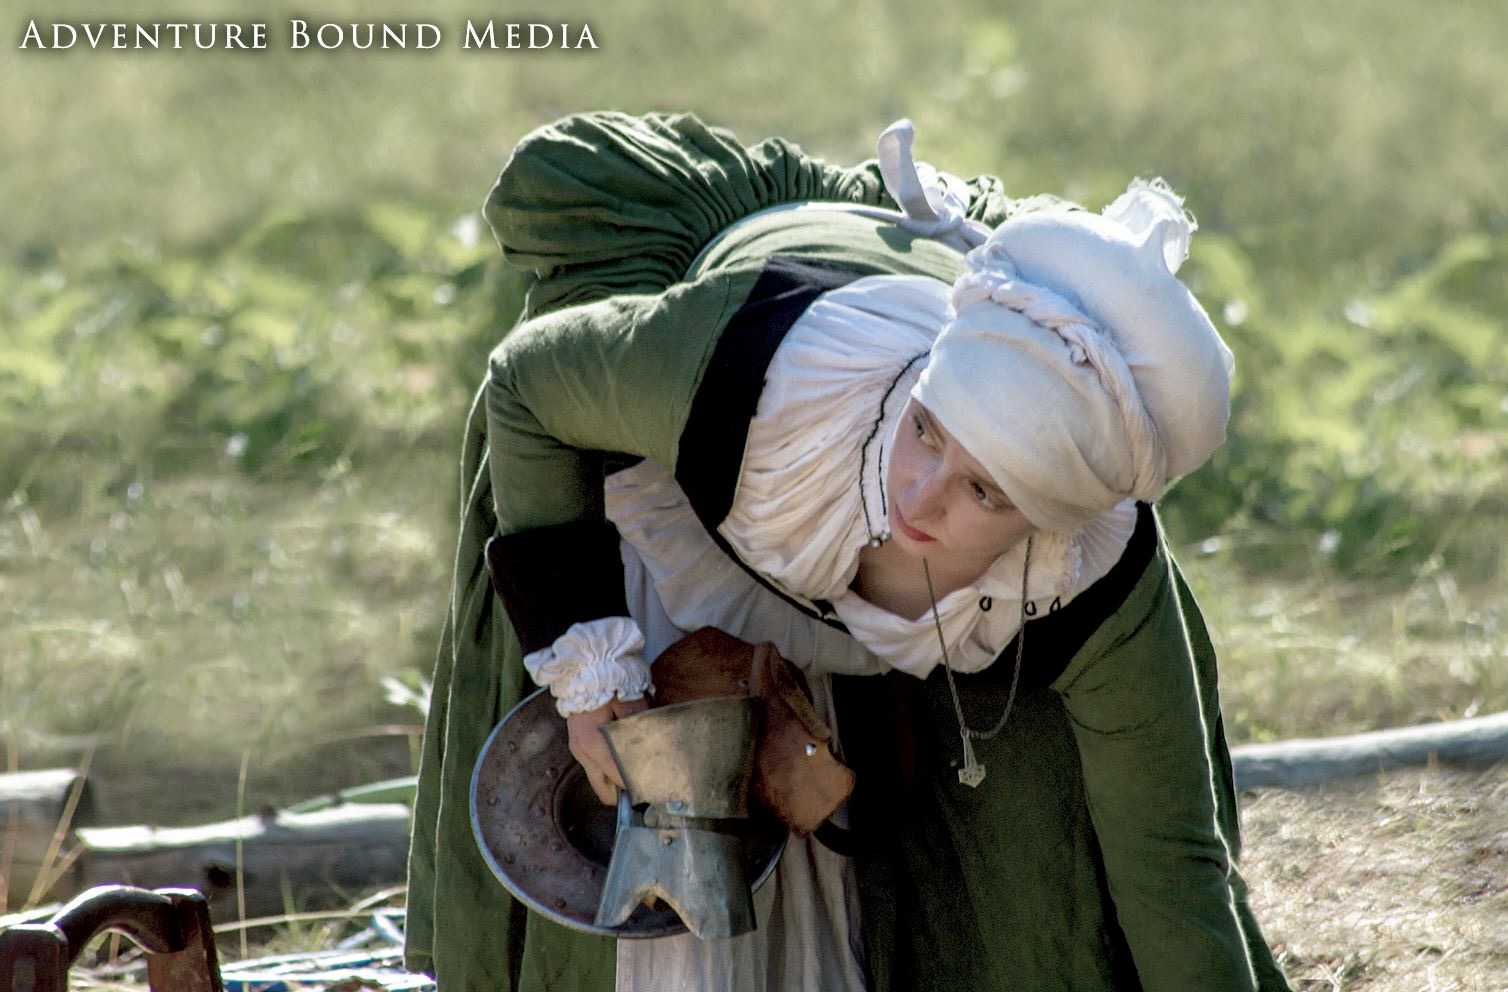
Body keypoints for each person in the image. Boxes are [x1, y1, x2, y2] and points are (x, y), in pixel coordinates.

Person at [405, 111, 1293, 992]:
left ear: (1048, 523)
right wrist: (594, 674)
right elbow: (526, 386)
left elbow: (1173, 872)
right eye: (928, 433)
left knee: (1044, 828)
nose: (919, 497)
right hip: (706, 495)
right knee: (670, 822)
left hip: (936, 586)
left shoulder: (1100, 587)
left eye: (982, 492)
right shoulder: (760, 383)